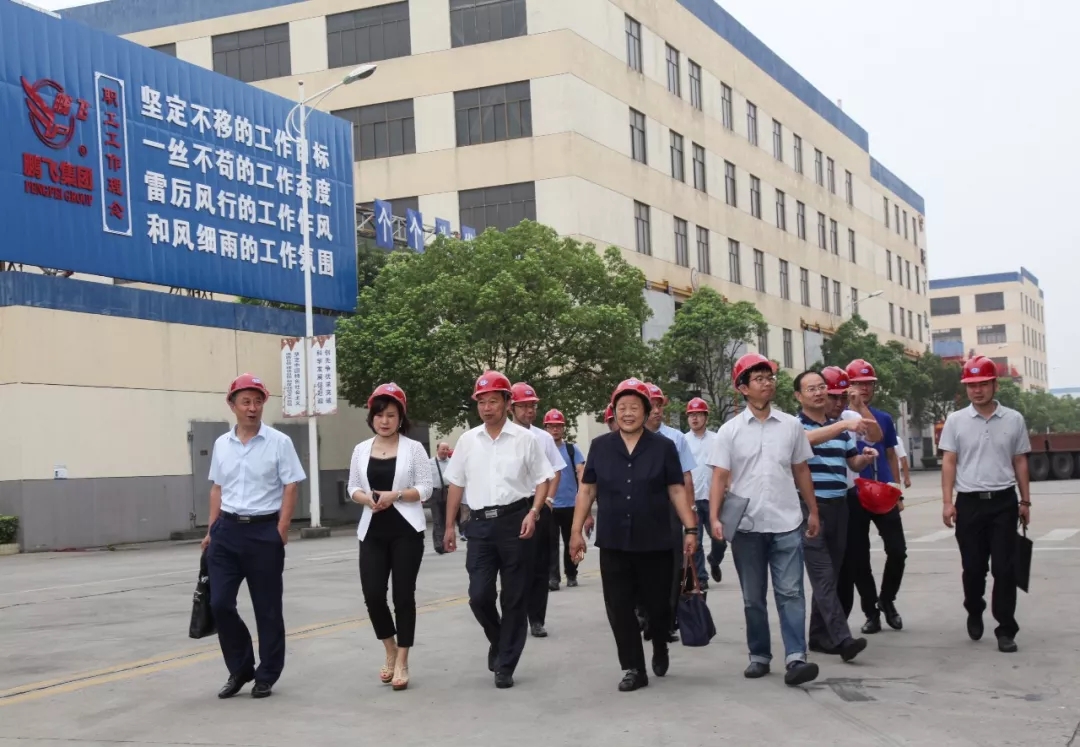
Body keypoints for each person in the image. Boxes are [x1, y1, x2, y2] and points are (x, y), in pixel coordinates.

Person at [569, 378, 698, 692]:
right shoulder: (601, 447)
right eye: (622, 407)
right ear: (614, 411)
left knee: (658, 605)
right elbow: (587, 490)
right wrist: (575, 531)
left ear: (646, 411)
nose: (628, 413)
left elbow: (676, 489)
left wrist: (691, 528)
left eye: (634, 407)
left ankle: (660, 643)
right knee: (619, 607)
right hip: (614, 540)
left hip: (655, 540)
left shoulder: (663, 447)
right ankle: (633, 668)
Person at [706, 354, 821, 687]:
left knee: (791, 593)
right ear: (743, 388)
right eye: (758, 379)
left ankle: (796, 656)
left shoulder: (791, 426)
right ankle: (759, 655)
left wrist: (813, 511)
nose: (767, 383)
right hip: (747, 527)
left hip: (787, 522)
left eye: (769, 377)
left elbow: (801, 470)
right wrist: (714, 518)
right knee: (752, 598)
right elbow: (719, 477)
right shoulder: (729, 431)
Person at [441, 371, 555, 689]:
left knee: (514, 597)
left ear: (507, 402)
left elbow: (543, 479)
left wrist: (534, 512)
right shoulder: (467, 441)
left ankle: (506, 664)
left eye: (493, 401)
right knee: (479, 596)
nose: (487, 408)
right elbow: (455, 485)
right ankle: (500, 639)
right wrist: (448, 526)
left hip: (516, 520)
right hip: (479, 525)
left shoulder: (525, 439)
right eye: (482, 402)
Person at [203, 374, 305, 700]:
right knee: (219, 603)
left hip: (263, 532)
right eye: (245, 402)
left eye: (258, 401)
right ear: (232, 405)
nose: (252, 408)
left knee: (267, 608)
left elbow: (291, 485)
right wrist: (211, 530)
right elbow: (217, 488)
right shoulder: (222, 444)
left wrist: (282, 528)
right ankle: (240, 668)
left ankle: (267, 674)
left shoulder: (279, 442)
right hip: (226, 531)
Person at [941, 356, 1031, 653]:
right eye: (971, 385)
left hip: (1004, 502)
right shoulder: (956, 421)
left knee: (1005, 569)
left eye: (982, 384)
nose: (977, 390)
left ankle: (1005, 628)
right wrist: (947, 502)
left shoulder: (1014, 419)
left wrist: (1025, 500)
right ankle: (974, 608)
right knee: (973, 568)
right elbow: (949, 461)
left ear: (995, 385)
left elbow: (1020, 460)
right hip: (969, 504)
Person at [347, 383, 433, 691]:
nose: (385, 421)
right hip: (372, 531)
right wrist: (367, 499)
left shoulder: (414, 448)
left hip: (406, 531)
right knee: (373, 594)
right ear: (372, 417)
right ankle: (390, 648)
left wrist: (394, 495)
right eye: (380, 415)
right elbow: (352, 487)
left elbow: (426, 488)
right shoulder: (361, 449)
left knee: (403, 596)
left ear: (401, 418)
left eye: (392, 415)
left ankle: (403, 661)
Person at [793, 370, 878, 661]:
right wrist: (844, 424)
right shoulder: (794, 426)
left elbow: (851, 463)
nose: (819, 393)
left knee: (833, 573)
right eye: (812, 389)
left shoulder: (838, 429)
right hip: (810, 509)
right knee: (823, 575)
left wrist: (864, 458)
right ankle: (842, 639)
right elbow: (804, 441)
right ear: (798, 396)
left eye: (822, 387)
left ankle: (818, 636)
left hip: (840, 506)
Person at [840, 358, 907, 635]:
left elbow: (890, 453)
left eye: (869, 384)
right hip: (853, 494)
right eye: (857, 383)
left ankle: (887, 599)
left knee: (897, 550)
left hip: (881, 491)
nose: (864, 388)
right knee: (859, 557)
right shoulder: (838, 418)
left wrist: (896, 489)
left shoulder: (882, 418)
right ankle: (871, 612)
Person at [509, 382, 567, 638]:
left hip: (539, 503)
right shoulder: (503, 435)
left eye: (532, 406)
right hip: (511, 506)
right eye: (523, 406)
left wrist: (549, 500)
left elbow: (556, 470)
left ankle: (536, 619)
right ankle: (514, 617)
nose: (529, 411)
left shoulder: (543, 438)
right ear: (511, 407)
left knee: (539, 565)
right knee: (514, 565)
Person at [543, 408, 588, 588]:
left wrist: (583, 494)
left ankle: (572, 574)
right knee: (550, 544)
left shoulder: (571, 449)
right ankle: (553, 578)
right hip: (550, 504)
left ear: (563, 428)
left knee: (573, 540)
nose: (555, 430)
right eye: (551, 426)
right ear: (546, 428)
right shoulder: (542, 450)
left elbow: (581, 471)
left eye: (558, 426)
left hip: (571, 504)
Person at [685, 397, 726, 586]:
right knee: (696, 540)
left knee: (720, 539)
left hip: (713, 499)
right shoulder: (682, 441)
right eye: (691, 415)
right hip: (691, 499)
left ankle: (714, 560)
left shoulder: (717, 440)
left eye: (698, 414)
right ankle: (701, 578)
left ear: (706, 417)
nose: (694, 418)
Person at [430, 442, 452, 554]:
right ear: (437, 449)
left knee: (448, 519)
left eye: (447, 449)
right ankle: (439, 545)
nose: (445, 451)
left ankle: (447, 544)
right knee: (437, 519)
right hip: (435, 493)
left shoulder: (452, 462)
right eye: (443, 449)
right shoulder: (430, 463)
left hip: (449, 492)